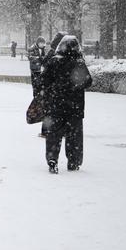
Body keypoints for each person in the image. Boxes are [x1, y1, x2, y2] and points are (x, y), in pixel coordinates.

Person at [40, 35, 92, 174]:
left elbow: (43, 81)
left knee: (54, 134)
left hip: (56, 105)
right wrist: (74, 84)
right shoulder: (78, 63)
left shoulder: (54, 61)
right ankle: (73, 161)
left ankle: (52, 159)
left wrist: (55, 87)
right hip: (74, 107)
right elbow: (88, 81)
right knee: (74, 136)